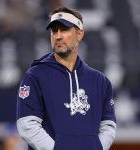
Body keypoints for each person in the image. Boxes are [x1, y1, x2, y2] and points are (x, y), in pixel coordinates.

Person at [16, 6, 116, 150]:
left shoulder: (100, 81)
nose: (58, 36)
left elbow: (108, 125)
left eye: (64, 29)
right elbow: (27, 125)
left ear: (80, 34)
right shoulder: (34, 76)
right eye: (54, 31)